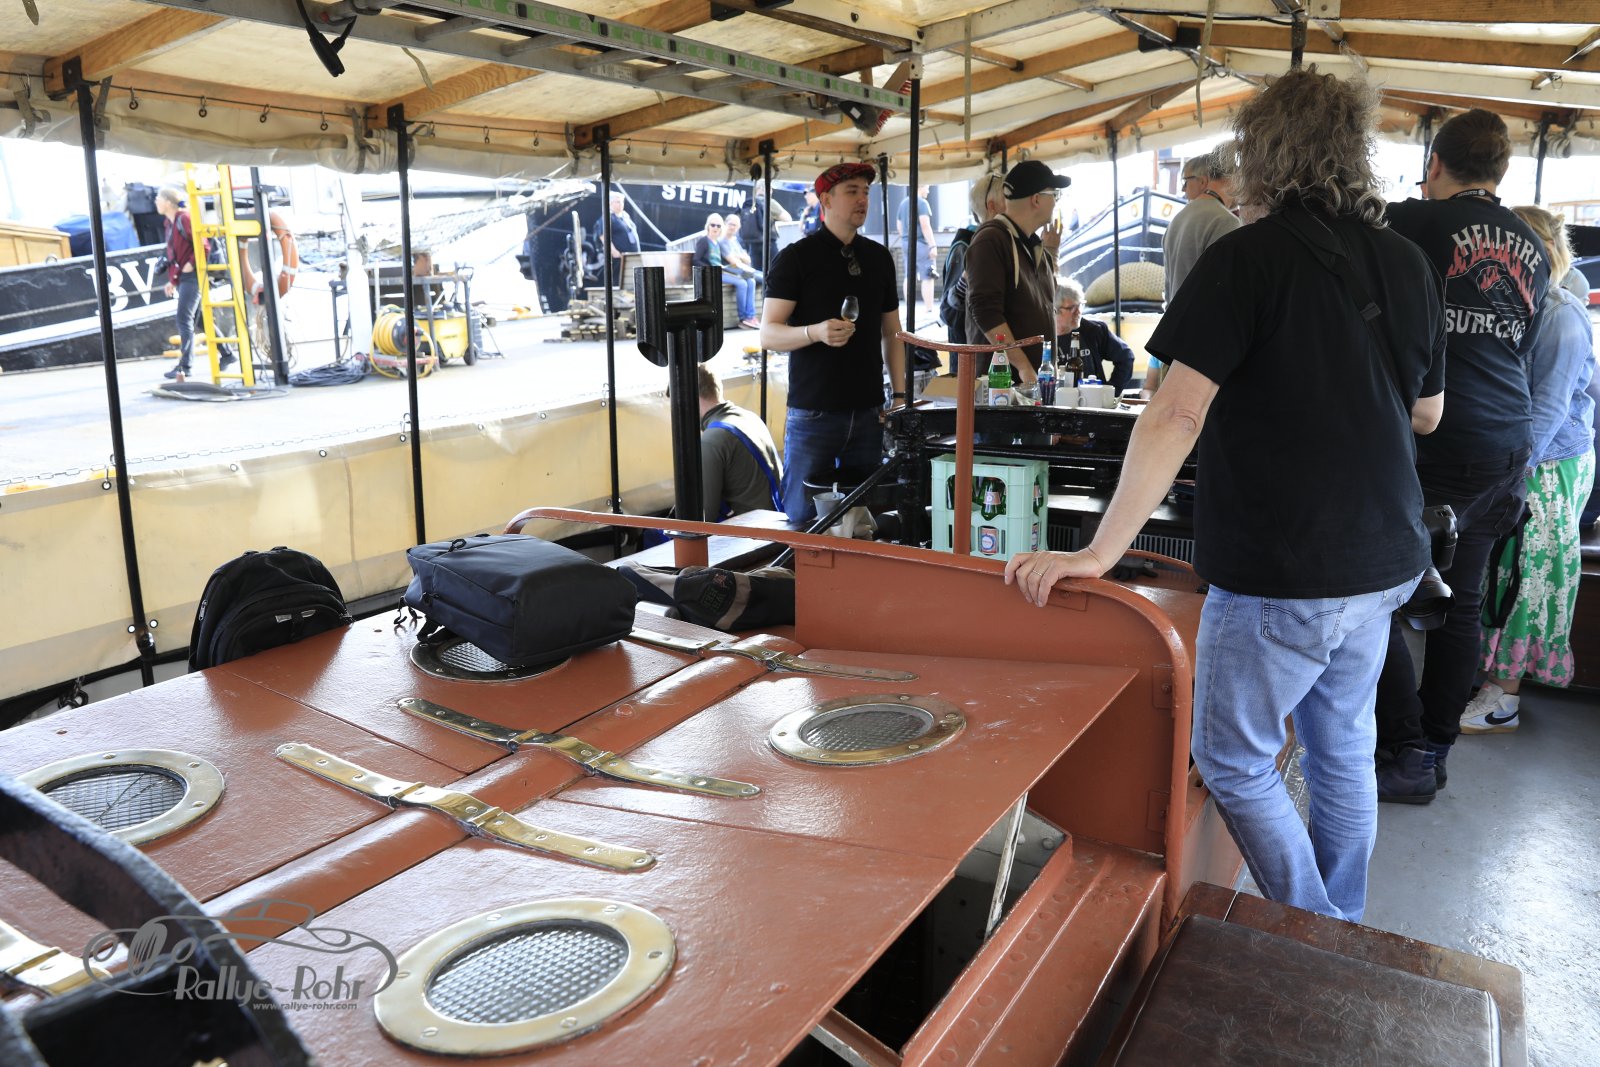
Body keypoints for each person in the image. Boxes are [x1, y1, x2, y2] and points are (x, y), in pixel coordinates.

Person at [1004, 69, 1444, 922]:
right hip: (1385, 555)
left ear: (1262, 155)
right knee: (1341, 749)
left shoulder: (1245, 259)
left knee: (1234, 759)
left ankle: (1316, 931)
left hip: (1285, 563)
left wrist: (1098, 549)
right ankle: (1343, 926)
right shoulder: (1408, 262)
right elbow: (1427, 413)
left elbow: (1175, 412)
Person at [1373, 108, 1551, 803]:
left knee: (1381, 593)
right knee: (1461, 599)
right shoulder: (1532, 244)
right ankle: (1436, 747)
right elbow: (1521, 343)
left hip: (1438, 437)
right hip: (1508, 438)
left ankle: (1405, 749)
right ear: (1501, 170)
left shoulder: (1411, 221)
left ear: (1435, 164)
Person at [1463, 206, 1596, 732]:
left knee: (1527, 574)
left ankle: (1505, 699)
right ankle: (1493, 680)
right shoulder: (1520, 305)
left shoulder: (1560, 313)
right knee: (1502, 570)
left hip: (1550, 459)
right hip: (1524, 455)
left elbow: (1550, 407)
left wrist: (1512, 472)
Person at [760, 161, 905, 525]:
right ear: (825, 200)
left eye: (866, 192)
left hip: (869, 409)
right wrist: (814, 332)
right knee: (802, 518)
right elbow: (768, 334)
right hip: (815, 411)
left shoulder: (878, 258)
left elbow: (893, 333)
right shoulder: (797, 258)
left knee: (860, 521)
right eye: (852, 191)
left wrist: (900, 396)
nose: (862, 200)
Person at [964, 160, 1069, 386]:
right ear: (1036, 199)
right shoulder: (991, 240)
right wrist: (1023, 367)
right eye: (1054, 194)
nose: (1056, 201)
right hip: (1002, 388)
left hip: (1031, 385)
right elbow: (985, 311)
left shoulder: (1032, 246)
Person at [1151, 146, 1241, 395]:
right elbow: (1225, 295)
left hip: (1173, 344)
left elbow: (1168, 287)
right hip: (1202, 352)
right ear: (1232, 178)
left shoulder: (1177, 220)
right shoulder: (1226, 222)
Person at [155, 185, 235, 380]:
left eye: (158, 198)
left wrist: (191, 264)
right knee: (200, 320)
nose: (155, 202)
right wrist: (173, 279)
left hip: (193, 277)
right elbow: (176, 255)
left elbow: (203, 246)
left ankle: (185, 366)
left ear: (168, 202)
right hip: (185, 277)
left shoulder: (184, 219)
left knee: (184, 319)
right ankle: (227, 354)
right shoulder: (169, 223)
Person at [697, 365, 783, 521]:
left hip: (753, 531)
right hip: (780, 519)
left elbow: (704, 518)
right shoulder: (750, 417)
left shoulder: (711, 441)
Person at [939, 173, 1004, 349]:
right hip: (968, 352)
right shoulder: (966, 246)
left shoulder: (999, 243)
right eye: (1007, 199)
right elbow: (949, 312)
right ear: (991, 207)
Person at [1054, 277, 1134, 395]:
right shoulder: (1041, 338)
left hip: (1092, 400)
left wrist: (1111, 391)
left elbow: (1126, 357)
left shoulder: (1093, 330)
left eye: (1080, 305)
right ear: (1055, 310)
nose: (1078, 312)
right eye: (1072, 308)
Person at [895, 183, 937, 314]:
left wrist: (905, 238)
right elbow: (925, 225)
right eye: (927, 188)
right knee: (928, 275)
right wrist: (932, 245)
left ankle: (909, 308)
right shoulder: (922, 203)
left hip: (906, 243)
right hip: (920, 243)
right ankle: (929, 309)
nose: (928, 191)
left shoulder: (903, 203)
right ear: (920, 187)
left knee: (909, 275)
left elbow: (899, 225)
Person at [718, 214, 762, 330]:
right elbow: (733, 261)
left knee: (753, 281)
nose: (732, 227)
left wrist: (739, 257)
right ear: (725, 224)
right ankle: (744, 318)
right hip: (731, 271)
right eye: (731, 224)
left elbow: (748, 259)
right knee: (763, 278)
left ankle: (750, 317)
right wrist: (740, 258)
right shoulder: (722, 241)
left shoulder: (735, 240)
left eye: (735, 225)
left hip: (741, 270)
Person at [741, 186, 791, 273]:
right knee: (774, 271)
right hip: (768, 243)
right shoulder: (770, 202)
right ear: (769, 190)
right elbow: (787, 218)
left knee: (757, 273)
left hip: (753, 243)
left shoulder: (749, 202)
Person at [606, 190, 640, 286]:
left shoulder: (625, 216)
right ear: (610, 203)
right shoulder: (609, 217)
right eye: (618, 202)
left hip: (631, 255)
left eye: (622, 202)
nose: (621, 204)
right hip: (619, 257)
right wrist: (614, 251)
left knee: (631, 280)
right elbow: (603, 236)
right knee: (618, 280)